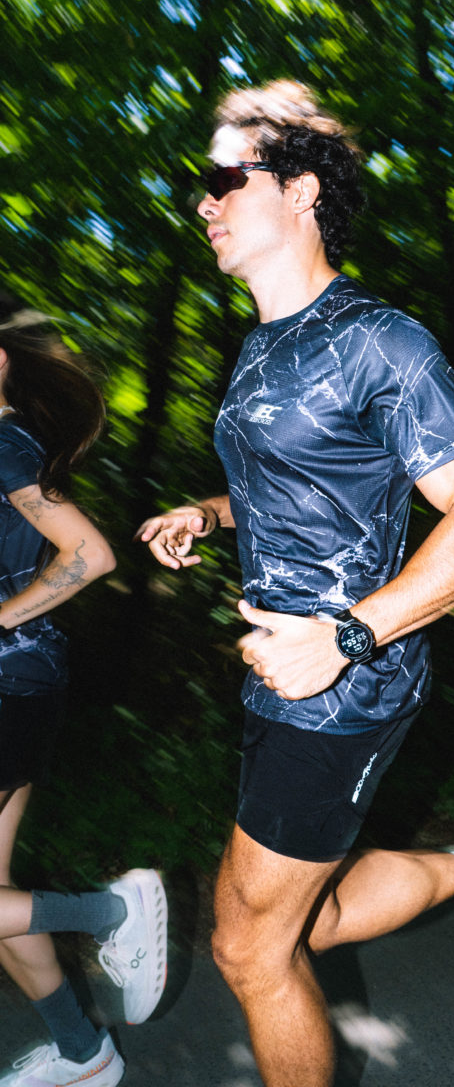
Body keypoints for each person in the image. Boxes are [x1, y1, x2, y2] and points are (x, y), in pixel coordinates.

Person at [137, 80, 454, 1087]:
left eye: (225, 177)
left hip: (341, 686)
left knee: (248, 950)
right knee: (311, 918)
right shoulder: (265, 345)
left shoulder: (379, 340)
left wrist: (343, 637)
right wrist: (206, 512)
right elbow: (303, 479)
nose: (204, 200)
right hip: (281, 676)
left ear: (300, 190)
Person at [0, 300, 168, 1087]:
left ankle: (113, 914)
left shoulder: (3, 444)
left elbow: (90, 554)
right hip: (22, 680)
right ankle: (83, 1055)